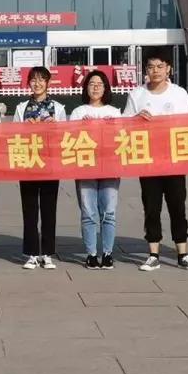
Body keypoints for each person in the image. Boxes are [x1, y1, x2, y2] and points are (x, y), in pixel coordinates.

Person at [122, 49, 188, 271]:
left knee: (177, 206)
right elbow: (124, 125)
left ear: (168, 69)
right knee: (151, 207)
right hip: (148, 161)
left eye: (159, 66)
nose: (155, 71)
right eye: (150, 67)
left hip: (173, 160)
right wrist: (136, 119)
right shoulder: (137, 95)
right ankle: (153, 254)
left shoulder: (179, 94)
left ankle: (182, 254)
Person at [14, 66, 66, 270]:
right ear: (29, 83)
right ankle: (31, 253)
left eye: (41, 80)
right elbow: (14, 135)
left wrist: (55, 126)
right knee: (29, 209)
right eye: (33, 80)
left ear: (48, 83)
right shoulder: (21, 108)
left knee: (49, 209)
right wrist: (24, 127)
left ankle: (47, 253)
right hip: (28, 163)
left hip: (50, 164)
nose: (37, 84)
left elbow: (65, 137)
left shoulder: (58, 108)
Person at [69, 70, 121, 270]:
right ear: (86, 88)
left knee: (109, 212)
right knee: (88, 212)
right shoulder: (78, 112)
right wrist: (80, 128)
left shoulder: (114, 112)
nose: (96, 87)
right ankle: (91, 254)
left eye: (100, 84)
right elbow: (68, 139)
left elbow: (122, 138)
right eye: (92, 84)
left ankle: (107, 253)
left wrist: (112, 128)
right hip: (85, 168)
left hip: (109, 167)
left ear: (106, 88)